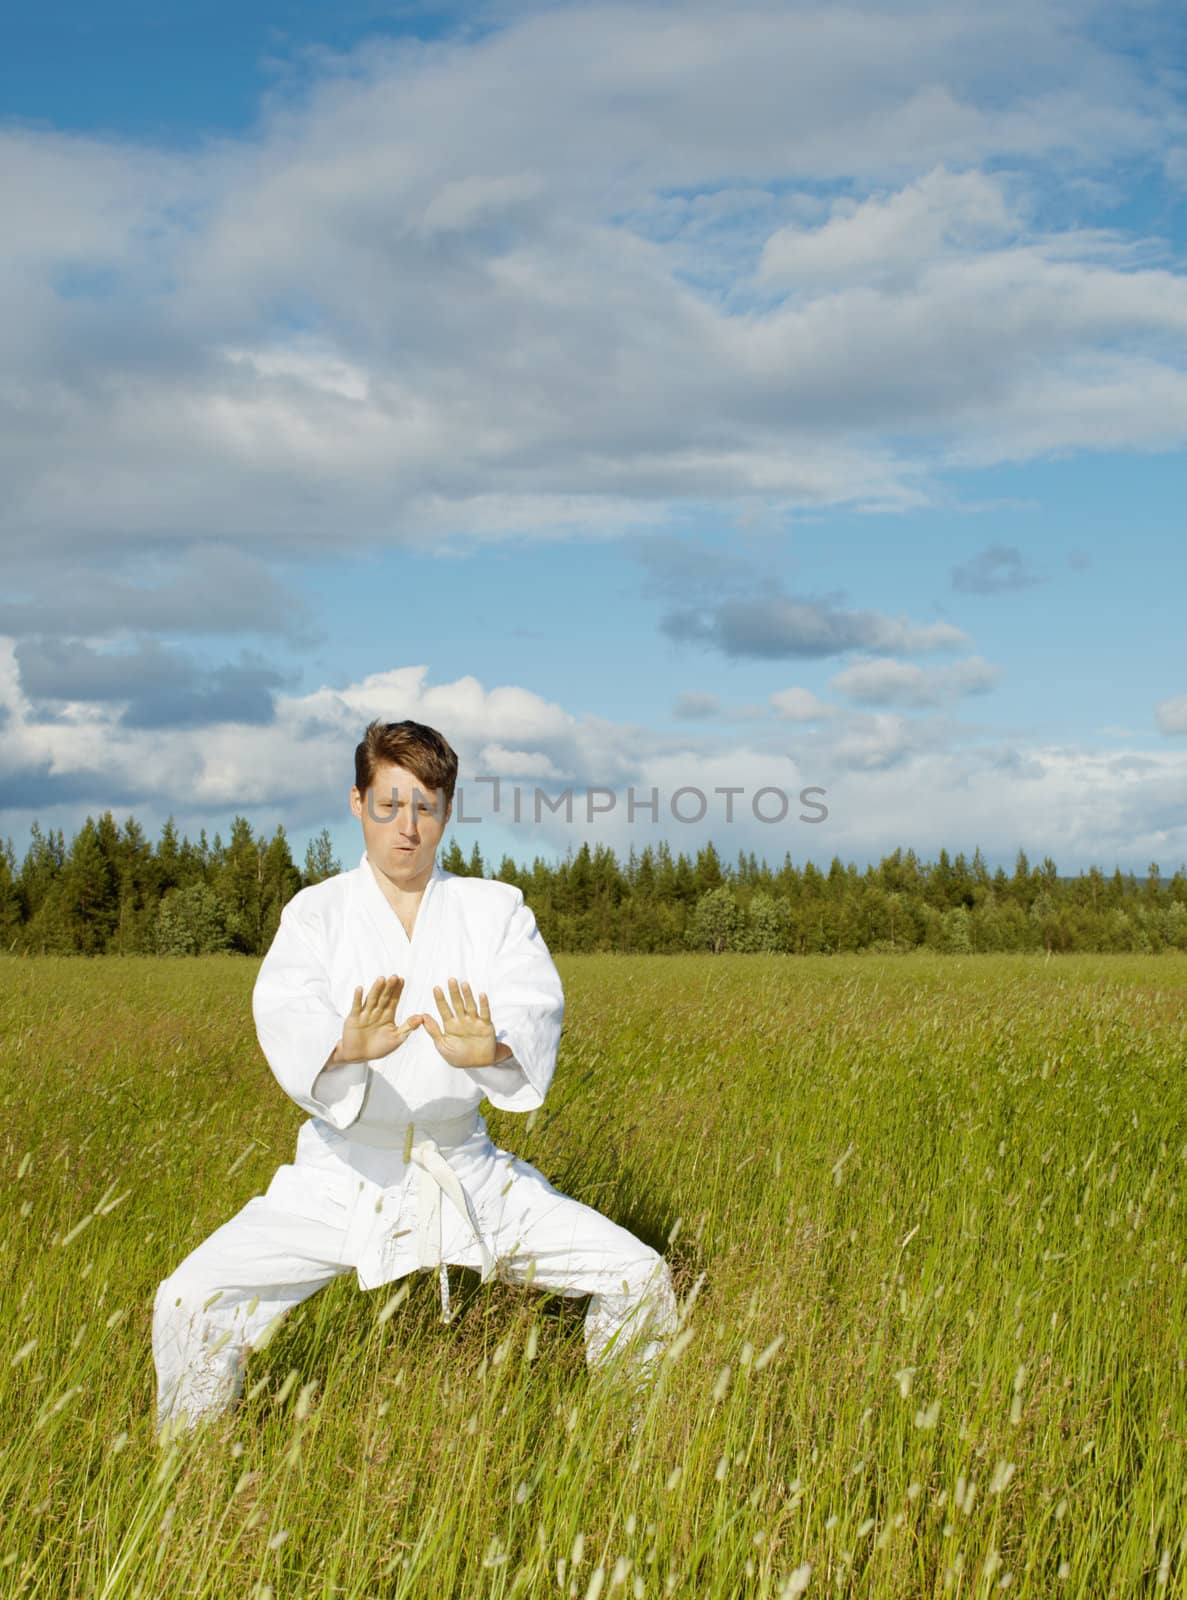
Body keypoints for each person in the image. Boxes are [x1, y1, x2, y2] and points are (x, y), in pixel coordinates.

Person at [152, 718, 677, 1436]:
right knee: (189, 1300)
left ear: (446, 813)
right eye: (388, 804)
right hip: (341, 1176)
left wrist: (488, 1051)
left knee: (637, 1275)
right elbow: (285, 1010)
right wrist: (341, 1046)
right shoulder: (316, 914)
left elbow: (532, 1003)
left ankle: (633, 1440)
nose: (406, 827)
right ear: (357, 803)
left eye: (424, 806)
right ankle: (191, 1468)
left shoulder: (495, 909)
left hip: (465, 1167)